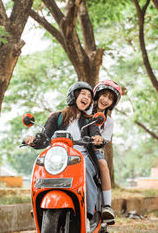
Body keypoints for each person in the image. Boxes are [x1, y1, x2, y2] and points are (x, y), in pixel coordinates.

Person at [24, 81, 104, 226]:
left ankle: (88, 214)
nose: (86, 98)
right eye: (83, 94)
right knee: (41, 167)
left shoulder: (90, 120)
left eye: (89, 96)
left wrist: (97, 139)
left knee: (86, 170)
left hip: (82, 157)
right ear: (74, 96)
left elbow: (95, 133)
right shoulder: (57, 116)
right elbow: (45, 135)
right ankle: (38, 205)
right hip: (59, 156)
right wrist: (34, 139)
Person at [92, 80, 122, 226]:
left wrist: (99, 140)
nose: (105, 100)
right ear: (97, 95)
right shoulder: (82, 112)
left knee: (103, 164)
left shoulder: (109, 122)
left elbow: (105, 140)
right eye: (104, 95)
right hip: (75, 150)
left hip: (94, 152)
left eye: (110, 98)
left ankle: (107, 206)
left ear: (112, 103)